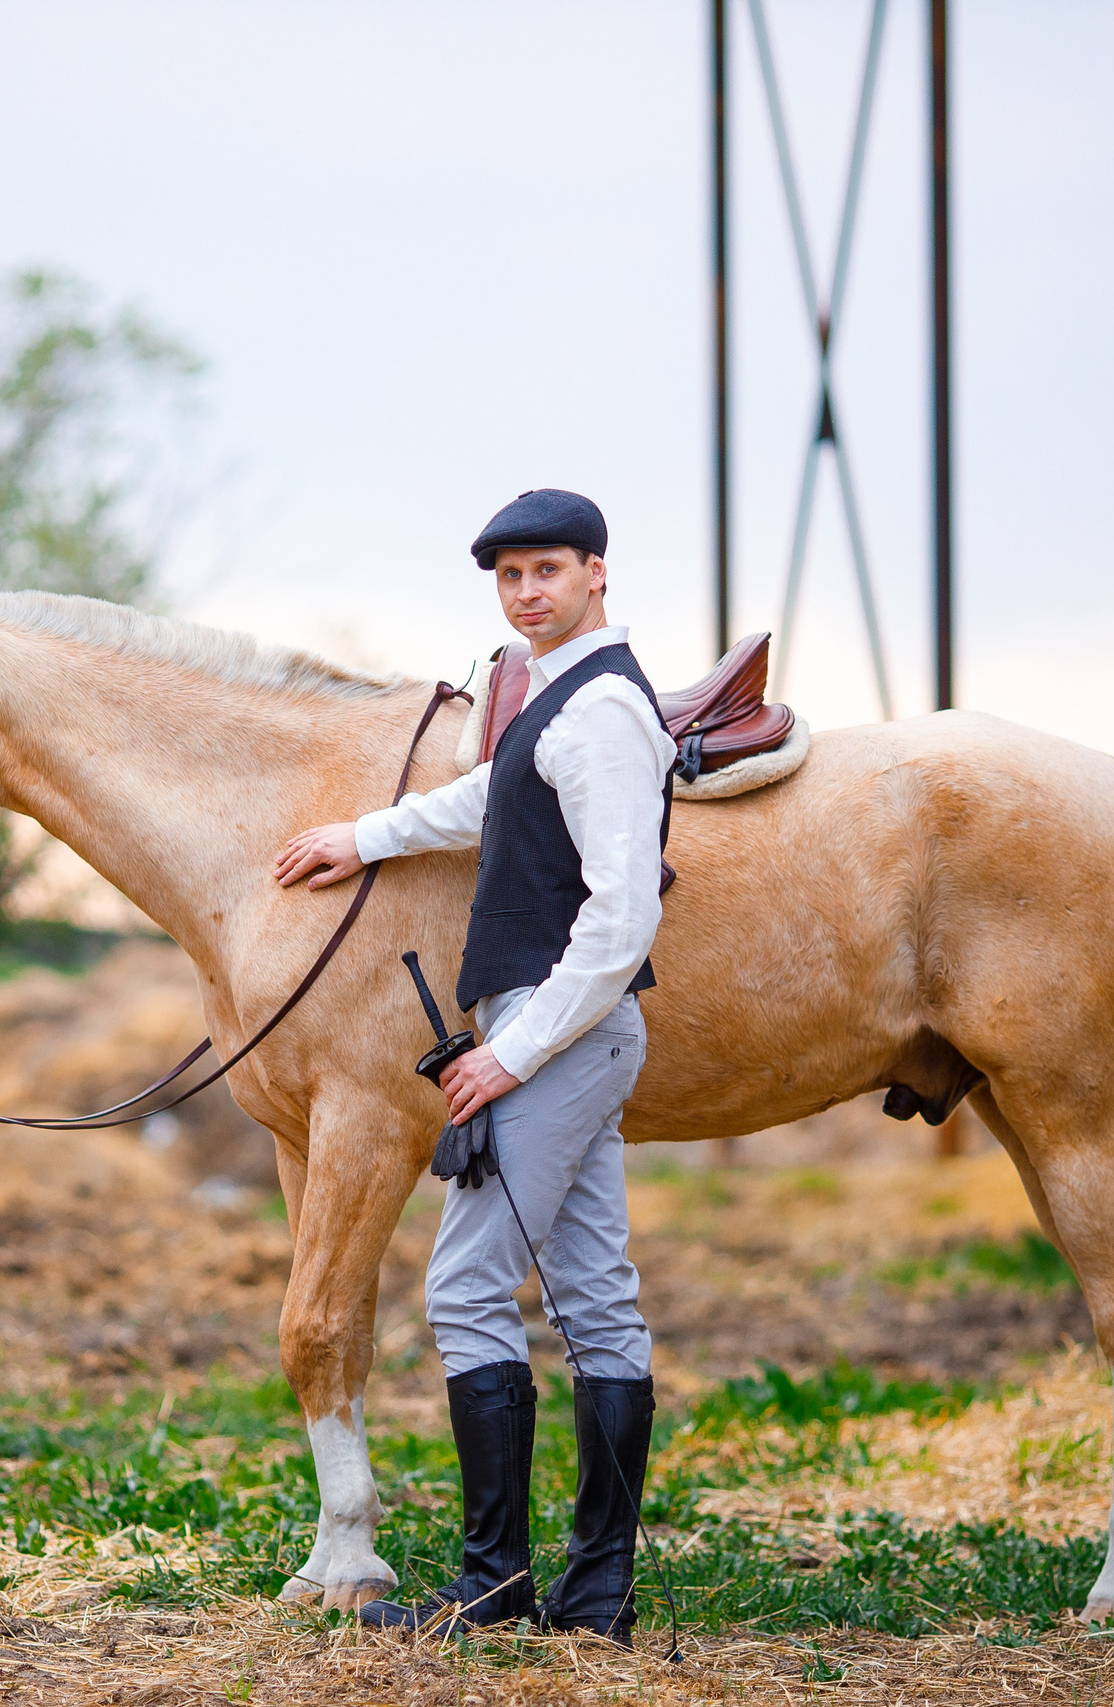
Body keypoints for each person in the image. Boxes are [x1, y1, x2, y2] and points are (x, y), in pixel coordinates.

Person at [272, 488, 676, 1646]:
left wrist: (509, 1053)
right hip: (574, 1033)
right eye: (507, 577)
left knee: (462, 1288)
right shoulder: (562, 697)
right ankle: (593, 1596)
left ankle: (493, 1584)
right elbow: (493, 798)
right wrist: (366, 834)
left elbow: (620, 916)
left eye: (545, 569)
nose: (525, 591)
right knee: (597, 1302)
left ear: (597, 572)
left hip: (559, 1029)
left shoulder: (599, 711)